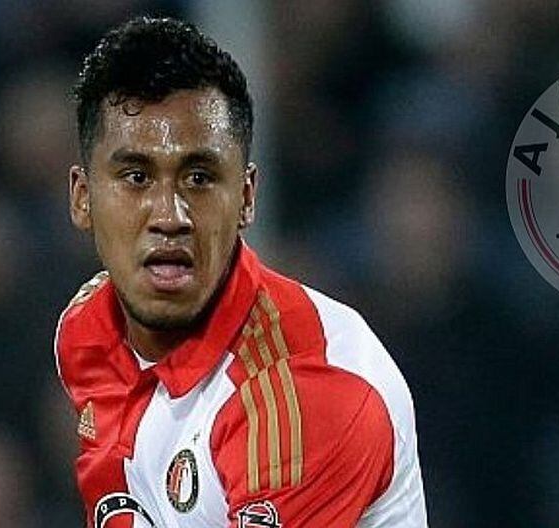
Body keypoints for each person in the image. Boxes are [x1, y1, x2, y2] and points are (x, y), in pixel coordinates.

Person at [54, 16, 427, 528]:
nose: (169, 215)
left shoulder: (307, 394)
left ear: (247, 198)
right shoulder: (88, 332)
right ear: (82, 198)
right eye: (136, 177)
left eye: (199, 178)